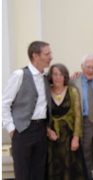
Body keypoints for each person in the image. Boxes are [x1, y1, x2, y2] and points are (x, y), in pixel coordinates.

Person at [2, 41, 52, 180]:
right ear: (35, 56)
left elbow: (61, 82)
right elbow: (4, 103)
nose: (51, 57)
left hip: (41, 130)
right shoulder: (19, 75)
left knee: (39, 172)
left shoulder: (46, 77)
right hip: (22, 131)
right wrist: (12, 129)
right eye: (47, 54)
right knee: (23, 174)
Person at [46, 63, 86, 180]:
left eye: (61, 74)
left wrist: (76, 138)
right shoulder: (46, 92)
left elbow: (78, 117)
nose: (58, 77)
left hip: (69, 138)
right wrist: (48, 131)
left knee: (71, 169)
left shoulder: (72, 91)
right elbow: (42, 115)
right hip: (51, 139)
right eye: (55, 74)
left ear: (65, 76)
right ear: (51, 76)